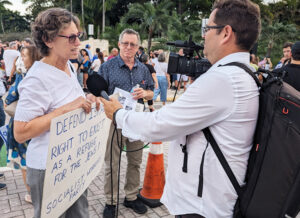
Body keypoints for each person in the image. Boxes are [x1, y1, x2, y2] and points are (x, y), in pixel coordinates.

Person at [100, 0, 261, 217]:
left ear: (226, 33)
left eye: (208, 29)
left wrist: (118, 114)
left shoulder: (223, 80)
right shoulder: (240, 73)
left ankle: (130, 196)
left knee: (135, 163)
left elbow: (161, 125)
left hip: (204, 208)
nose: (204, 36)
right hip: (210, 201)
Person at [13, 8, 99, 218]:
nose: (77, 42)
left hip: (73, 163)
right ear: (48, 40)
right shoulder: (37, 79)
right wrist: (66, 109)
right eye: (70, 37)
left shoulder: (69, 66)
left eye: (78, 36)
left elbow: (72, 102)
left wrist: (87, 100)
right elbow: (21, 132)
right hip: (48, 169)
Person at [98, 28, 154, 218]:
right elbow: (99, 92)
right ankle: (110, 201)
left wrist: (145, 94)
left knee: (135, 162)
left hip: (136, 121)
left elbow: (151, 92)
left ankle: (130, 197)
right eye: (125, 43)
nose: (129, 47)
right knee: (112, 163)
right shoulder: (107, 67)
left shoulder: (143, 68)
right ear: (119, 44)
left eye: (133, 44)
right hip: (115, 122)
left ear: (138, 47)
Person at [6, 45, 41, 204]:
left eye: (24, 56)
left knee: (25, 161)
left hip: (23, 124)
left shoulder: (24, 75)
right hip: (39, 124)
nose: (21, 59)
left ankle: (32, 194)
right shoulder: (43, 74)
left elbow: (10, 97)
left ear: (32, 57)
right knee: (39, 159)